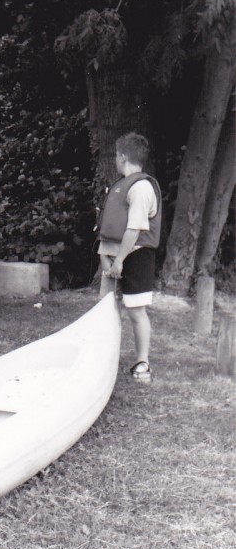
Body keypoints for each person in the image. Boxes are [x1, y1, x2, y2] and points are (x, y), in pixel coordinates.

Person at [97, 132, 162, 383]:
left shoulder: (142, 187)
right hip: (112, 258)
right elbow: (110, 228)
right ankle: (104, 358)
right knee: (106, 310)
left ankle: (143, 363)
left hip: (136, 257)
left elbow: (134, 229)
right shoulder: (119, 186)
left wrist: (120, 261)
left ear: (122, 156)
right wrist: (106, 259)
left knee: (136, 311)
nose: (115, 159)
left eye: (116, 155)